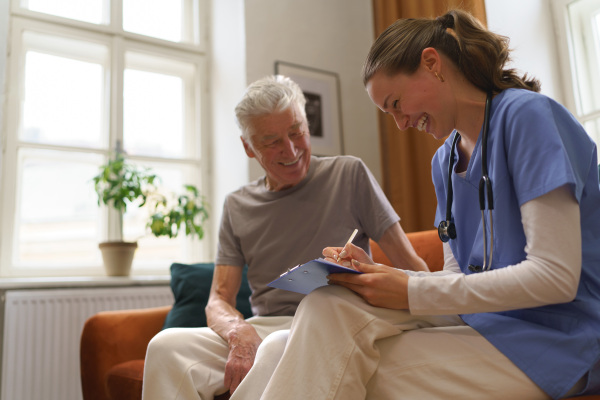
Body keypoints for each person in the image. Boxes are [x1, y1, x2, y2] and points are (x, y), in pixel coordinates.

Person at [239, 9, 600, 400]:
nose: (400, 124)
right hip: (489, 325)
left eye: (396, 103)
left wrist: (410, 291)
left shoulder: (528, 117)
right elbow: (454, 280)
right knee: (317, 310)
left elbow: (556, 278)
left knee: (324, 365)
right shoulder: (443, 162)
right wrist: (378, 277)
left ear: (432, 64)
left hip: (561, 339)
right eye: (388, 113)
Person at [141, 75, 428, 399]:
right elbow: (219, 298)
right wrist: (239, 332)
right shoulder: (238, 205)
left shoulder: (348, 174)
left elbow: (411, 264)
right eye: (272, 141)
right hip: (268, 324)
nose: (290, 150)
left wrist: (445, 310)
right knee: (165, 347)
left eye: (296, 132)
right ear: (248, 147)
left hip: (335, 320)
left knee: (276, 348)